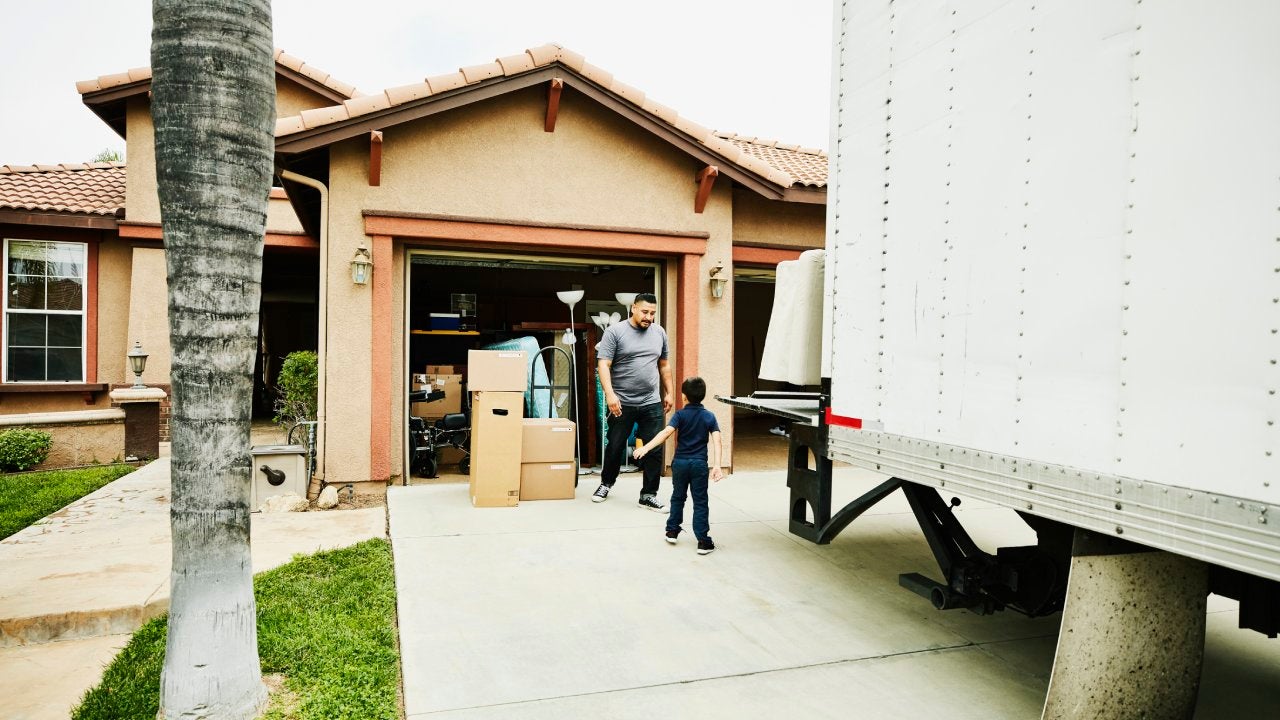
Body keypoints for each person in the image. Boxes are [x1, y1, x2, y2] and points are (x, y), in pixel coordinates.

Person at [593, 292, 674, 511]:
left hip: (651, 402)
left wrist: (669, 392)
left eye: (653, 313)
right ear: (633, 309)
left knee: (654, 448)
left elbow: (664, 364)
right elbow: (604, 365)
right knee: (616, 446)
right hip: (622, 402)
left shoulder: (659, 332)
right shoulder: (615, 332)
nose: (649, 317)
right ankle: (606, 483)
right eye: (645, 312)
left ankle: (648, 494)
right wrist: (610, 394)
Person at [633, 376, 724, 554]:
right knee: (700, 502)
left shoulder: (680, 415)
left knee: (677, 497)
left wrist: (646, 447)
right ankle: (703, 542)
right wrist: (717, 465)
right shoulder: (709, 417)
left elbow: (665, 433)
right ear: (703, 395)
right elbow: (717, 440)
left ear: (683, 396)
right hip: (698, 464)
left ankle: (672, 530)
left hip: (680, 463)